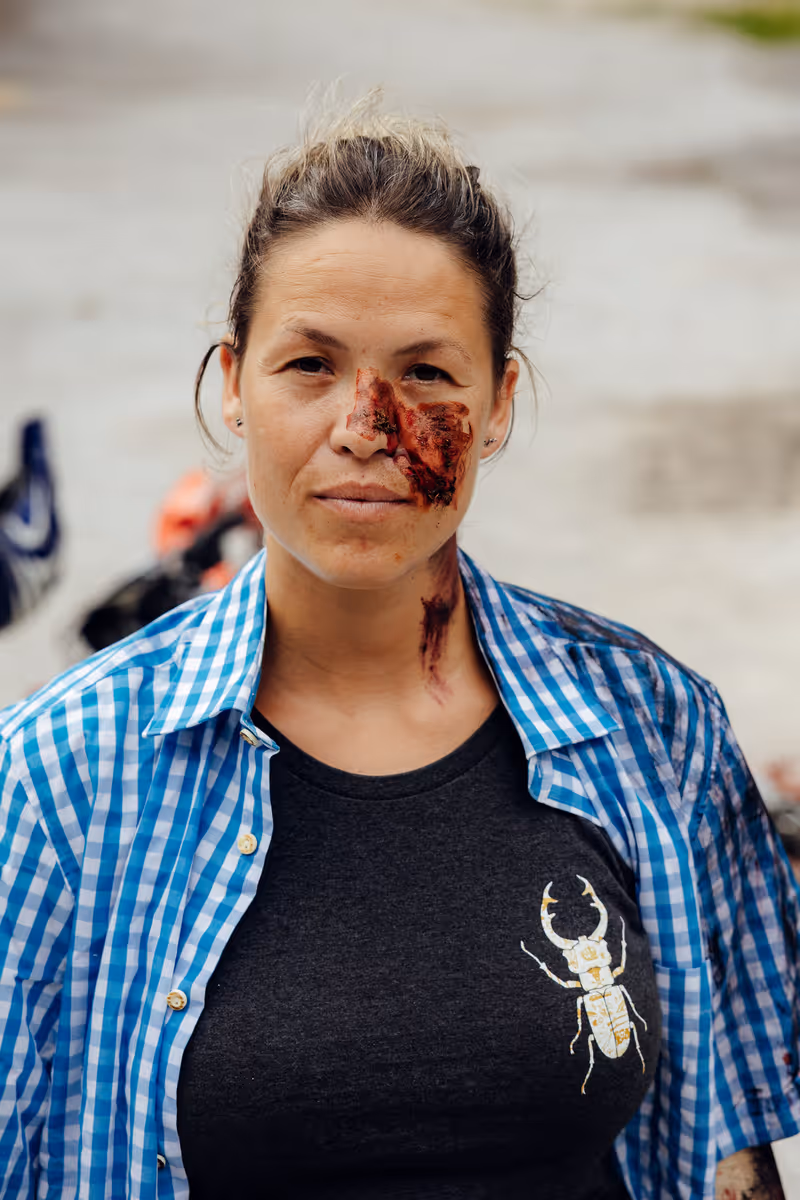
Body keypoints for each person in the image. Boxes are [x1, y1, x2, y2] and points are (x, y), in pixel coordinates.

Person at [1, 102, 798, 1200]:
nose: (366, 427)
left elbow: (725, 1157)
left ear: (499, 401)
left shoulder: (654, 730)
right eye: (309, 364)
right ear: (232, 385)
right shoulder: (62, 777)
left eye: (425, 373)